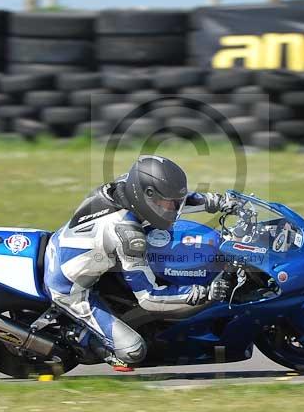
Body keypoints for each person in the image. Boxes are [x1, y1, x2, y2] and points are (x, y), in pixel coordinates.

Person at [43, 155, 234, 371]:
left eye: (174, 202)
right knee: (133, 351)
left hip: (82, 253)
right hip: (70, 288)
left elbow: (177, 200)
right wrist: (202, 293)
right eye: (167, 203)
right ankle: (82, 338)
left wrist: (217, 201)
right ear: (147, 197)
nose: (173, 208)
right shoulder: (128, 235)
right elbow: (149, 298)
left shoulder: (129, 186)